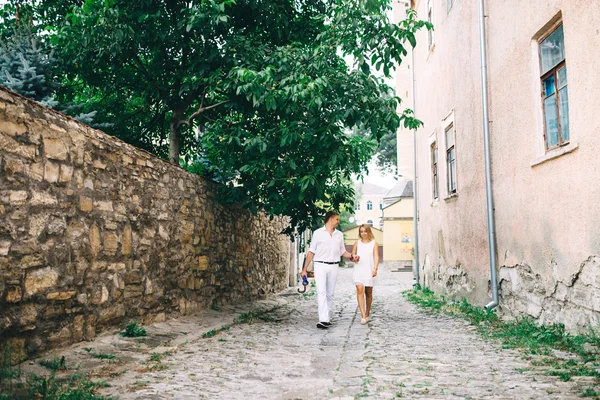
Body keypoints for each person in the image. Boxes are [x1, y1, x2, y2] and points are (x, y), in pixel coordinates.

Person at [301, 211, 359, 329]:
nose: (338, 221)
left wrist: (352, 256)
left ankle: (326, 317)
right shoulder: (317, 233)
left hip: (334, 265)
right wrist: (304, 269)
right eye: (337, 219)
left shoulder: (339, 235)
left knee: (330, 293)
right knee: (321, 291)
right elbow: (311, 252)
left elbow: (342, 251)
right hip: (320, 265)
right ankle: (323, 319)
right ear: (331, 219)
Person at [351, 224, 379, 325]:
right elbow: (352, 256)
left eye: (365, 231)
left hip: (369, 269)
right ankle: (363, 315)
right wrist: (354, 257)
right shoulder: (357, 243)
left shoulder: (374, 243)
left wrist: (375, 268)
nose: (363, 233)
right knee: (359, 290)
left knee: (368, 292)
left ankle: (367, 313)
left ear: (369, 232)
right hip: (359, 269)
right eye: (361, 231)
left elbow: (376, 256)